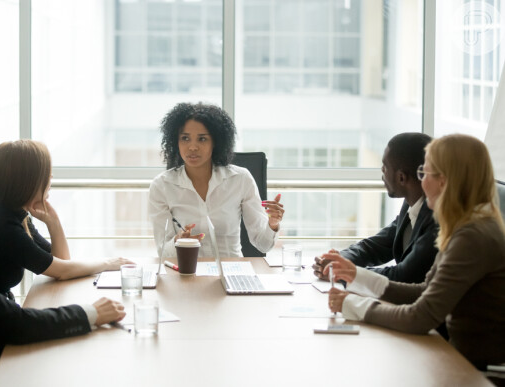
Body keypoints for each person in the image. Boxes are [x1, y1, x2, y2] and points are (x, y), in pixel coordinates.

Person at [0, 136, 126, 387]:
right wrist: (91, 312)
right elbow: (19, 319)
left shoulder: (16, 218)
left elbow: (59, 262)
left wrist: (53, 223)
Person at [325, 134, 505, 370]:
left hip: (477, 369)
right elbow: (424, 291)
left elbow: (421, 317)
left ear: (444, 180)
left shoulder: (472, 237)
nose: (422, 182)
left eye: (425, 173)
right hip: (458, 356)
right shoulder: (468, 225)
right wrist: (356, 276)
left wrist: (351, 305)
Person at [0, 140, 131, 299]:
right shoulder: (5, 227)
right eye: (46, 175)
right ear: (27, 182)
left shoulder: (13, 216)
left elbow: (62, 262)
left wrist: (54, 222)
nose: (50, 179)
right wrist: (108, 263)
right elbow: (63, 270)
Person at [148, 102, 285, 258]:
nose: (192, 147)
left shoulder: (240, 179)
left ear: (216, 142)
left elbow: (263, 244)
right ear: (175, 141)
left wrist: (272, 224)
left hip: (232, 271)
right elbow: (163, 252)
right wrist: (177, 242)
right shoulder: (162, 186)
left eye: (202, 139)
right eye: (185, 138)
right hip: (187, 272)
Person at [313, 132, 438, 283]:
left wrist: (345, 273)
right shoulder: (411, 204)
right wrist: (340, 260)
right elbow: (376, 246)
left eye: (385, 167)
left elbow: (404, 275)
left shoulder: (437, 219)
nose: (382, 172)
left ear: (401, 178)